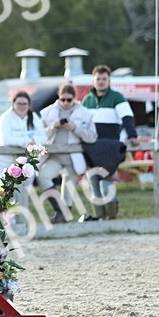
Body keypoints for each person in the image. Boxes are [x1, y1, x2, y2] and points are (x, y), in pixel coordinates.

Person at [81, 64, 140, 220]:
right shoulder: (87, 101)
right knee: (94, 183)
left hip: (109, 149)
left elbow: (127, 118)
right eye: (98, 79)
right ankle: (99, 217)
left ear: (109, 80)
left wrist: (132, 135)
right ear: (94, 80)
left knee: (107, 184)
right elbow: (81, 123)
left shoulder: (117, 97)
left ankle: (112, 219)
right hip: (91, 149)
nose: (101, 82)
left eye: (104, 79)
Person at [37, 83, 97, 224]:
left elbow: (92, 137)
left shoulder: (85, 113)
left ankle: (64, 216)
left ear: (74, 98)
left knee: (68, 189)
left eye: (69, 100)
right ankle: (60, 210)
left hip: (73, 158)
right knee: (42, 176)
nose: (65, 103)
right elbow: (39, 134)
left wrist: (75, 128)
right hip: (53, 156)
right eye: (62, 99)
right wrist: (54, 126)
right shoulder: (48, 112)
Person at [0, 91, 46, 184]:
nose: (22, 106)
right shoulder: (5, 118)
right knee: (5, 193)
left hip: (26, 162)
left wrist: (34, 140)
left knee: (24, 193)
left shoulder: (33, 117)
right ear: (13, 104)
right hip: (6, 161)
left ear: (29, 105)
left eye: (24, 104)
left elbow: (44, 137)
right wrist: (27, 142)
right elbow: (5, 139)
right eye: (19, 103)